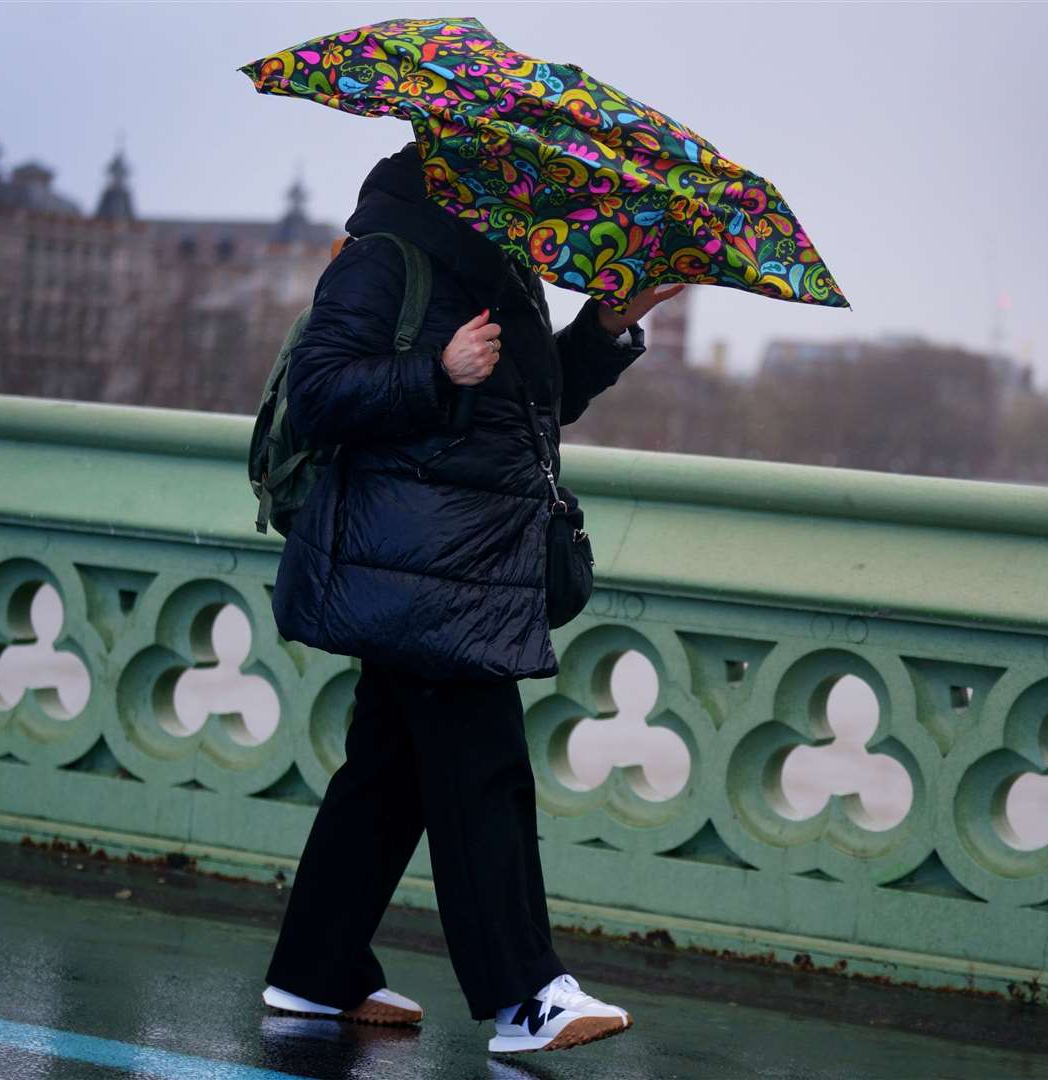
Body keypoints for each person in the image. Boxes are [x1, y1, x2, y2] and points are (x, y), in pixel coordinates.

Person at [260, 142, 684, 1054]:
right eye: (517, 177)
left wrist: (606, 326)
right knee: (482, 771)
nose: (536, 194)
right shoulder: (386, 254)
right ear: (456, 172)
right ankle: (525, 996)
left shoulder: (502, 265)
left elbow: (532, 403)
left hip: (470, 558)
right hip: (418, 563)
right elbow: (320, 391)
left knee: (388, 773)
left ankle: (313, 969)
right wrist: (435, 371)